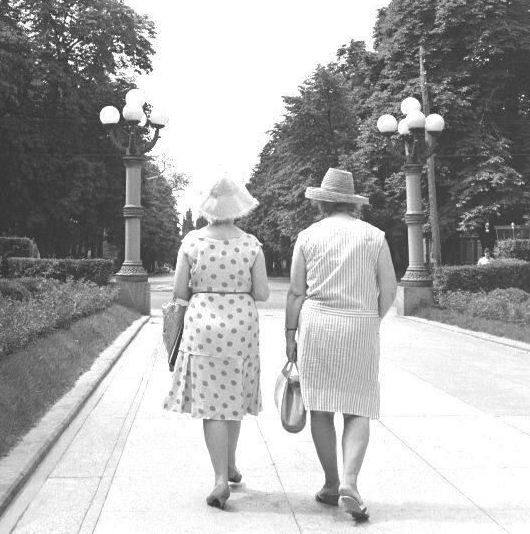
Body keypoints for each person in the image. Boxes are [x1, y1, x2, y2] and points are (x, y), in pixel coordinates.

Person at [285, 168, 397, 522]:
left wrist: (291, 334)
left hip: (317, 324)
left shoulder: (307, 236)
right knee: (358, 406)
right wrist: (370, 317)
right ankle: (351, 481)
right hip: (360, 324)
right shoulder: (374, 236)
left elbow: (296, 292)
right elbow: (390, 288)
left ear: (321, 202)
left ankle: (331, 483)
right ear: (353, 203)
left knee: (320, 407)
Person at [163, 177, 270, 509]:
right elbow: (263, 293)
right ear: (238, 208)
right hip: (241, 326)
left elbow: (180, 292)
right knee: (234, 396)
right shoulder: (251, 244)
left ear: (207, 208)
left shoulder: (192, 242)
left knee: (212, 404)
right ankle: (232, 464)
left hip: (202, 326)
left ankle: (220, 478)